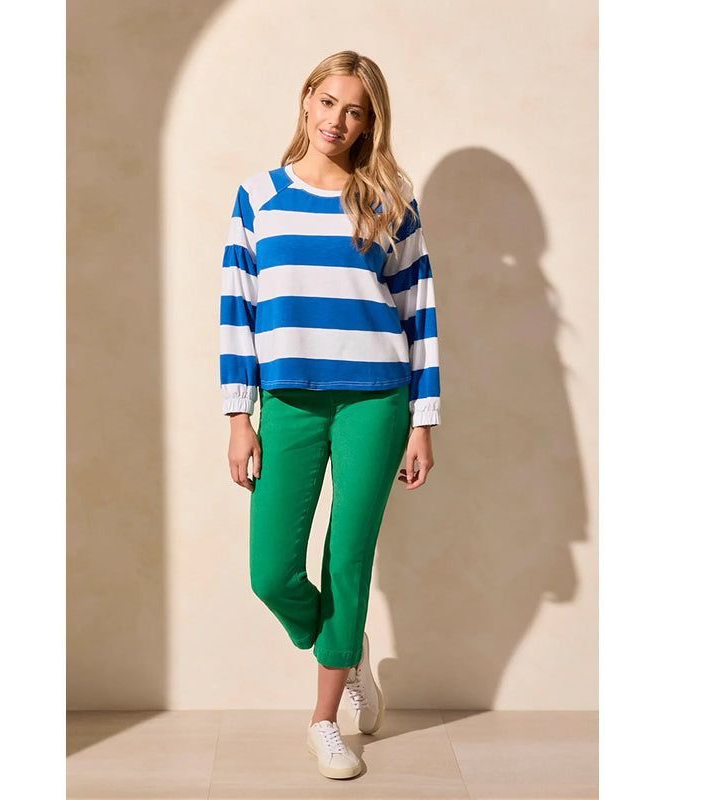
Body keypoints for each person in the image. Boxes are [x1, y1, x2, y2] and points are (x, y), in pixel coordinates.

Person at [219, 50, 441, 780]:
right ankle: (344, 650)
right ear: (306, 100)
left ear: (369, 122)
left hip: (377, 398)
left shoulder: (388, 199)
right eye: (327, 102)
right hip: (288, 398)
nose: (337, 121)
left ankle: (324, 721)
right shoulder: (259, 197)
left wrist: (423, 421)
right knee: (272, 572)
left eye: (355, 111)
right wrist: (239, 416)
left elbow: (419, 312)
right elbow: (238, 309)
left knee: (347, 557)